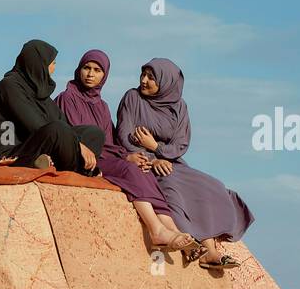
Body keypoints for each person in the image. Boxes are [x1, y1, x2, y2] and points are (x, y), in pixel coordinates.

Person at [55, 49, 199, 254]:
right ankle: (156, 230)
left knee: (141, 169)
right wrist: (125, 157)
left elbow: (110, 141)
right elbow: (78, 138)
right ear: (78, 70)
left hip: (104, 156)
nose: (90, 74)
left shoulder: (102, 106)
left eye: (97, 70)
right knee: (130, 171)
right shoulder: (67, 98)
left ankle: (173, 230)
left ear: (104, 75)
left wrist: (128, 156)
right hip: (84, 158)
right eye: (86, 68)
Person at [115, 58, 254, 269]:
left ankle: (211, 250)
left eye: (151, 78)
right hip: (145, 163)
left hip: (171, 161)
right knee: (171, 187)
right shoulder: (132, 98)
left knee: (211, 185)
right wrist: (153, 159)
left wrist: (157, 149)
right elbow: (124, 136)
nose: (144, 81)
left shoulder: (179, 106)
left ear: (166, 82)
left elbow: (181, 143)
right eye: (143, 75)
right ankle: (198, 245)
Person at [0, 39, 102, 175]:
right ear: (38, 64)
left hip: (38, 146)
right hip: (11, 154)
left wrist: (77, 141)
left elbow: (64, 124)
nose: (54, 68)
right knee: (58, 130)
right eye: (52, 63)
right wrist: (78, 145)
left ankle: (55, 164)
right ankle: (79, 169)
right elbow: (35, 125)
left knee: (94, 134)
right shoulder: (9, 86)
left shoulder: (37, 89)